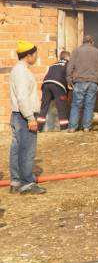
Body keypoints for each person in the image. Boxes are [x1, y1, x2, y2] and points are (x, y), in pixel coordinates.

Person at [9, 41, 46, 194]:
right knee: (27, 150)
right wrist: (30, 118)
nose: (36, 57)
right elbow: (23, 97)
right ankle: (27, 184)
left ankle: (16, 181)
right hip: (24, 116)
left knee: (17, 149)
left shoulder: (18, 70)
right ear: (29, 55)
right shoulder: (22, 72)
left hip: (19, 115)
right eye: (35, 54)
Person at [67, 36, 98, 132]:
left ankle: (72, 127)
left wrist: (69, 80)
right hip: (93, 82)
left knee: (76, 104)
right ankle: (86, 127)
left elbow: (70, 66)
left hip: (79, 81)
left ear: (83, 42)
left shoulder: (76, 51)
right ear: (92, 42)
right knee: (89, 105)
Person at [36, 50, 71, 131]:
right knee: (62, 107)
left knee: (44, 107)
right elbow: (68, 76)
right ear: (67, 57)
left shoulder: (53, 64)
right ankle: (64, 128)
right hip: (58, 85)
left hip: (46, 84)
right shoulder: (68, 64)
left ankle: (39, 127)